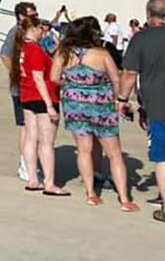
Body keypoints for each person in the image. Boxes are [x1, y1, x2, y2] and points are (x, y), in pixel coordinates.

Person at [50, 17, 139, 211]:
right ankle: (124, 199)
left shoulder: (63, 53)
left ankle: (91, 193)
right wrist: (119, 100)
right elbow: (116, 79)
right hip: (102, 106)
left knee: (84, 150)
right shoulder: (102, 53)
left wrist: (73, 85)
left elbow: (54, 78)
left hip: (75, 106)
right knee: (114, 153)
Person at [118, 0, 165, 223]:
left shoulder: (140, 39)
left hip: (158, 105)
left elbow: (129, 74)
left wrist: (122, 98)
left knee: (163, 158)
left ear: (148, 16)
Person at [11, 16, 67, 196]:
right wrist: (50, 105)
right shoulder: (34, 49)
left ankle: (32, 179)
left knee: (30, 137)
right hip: (41, 97)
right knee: (46, 142)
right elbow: (38, 77)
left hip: (27, 96)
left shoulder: (22, 49)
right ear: (34, 29)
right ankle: (49, 183)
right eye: (41, 29)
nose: (43, 32)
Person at [1, 1, 40, 181]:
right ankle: (25, 163)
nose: (36, 18)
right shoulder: (15, 32)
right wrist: (18, 73)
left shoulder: (35, 32)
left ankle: (30, 161)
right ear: (21, 16)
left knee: (36, 128)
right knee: (26, 127)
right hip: (21, 88)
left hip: (34, 87)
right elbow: (4, 54)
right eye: (32, 15)